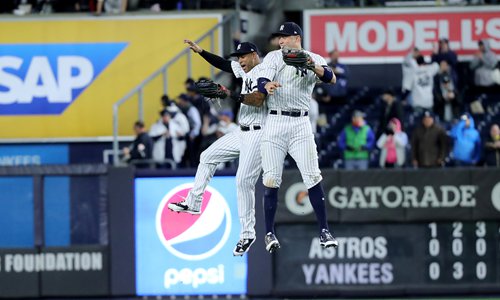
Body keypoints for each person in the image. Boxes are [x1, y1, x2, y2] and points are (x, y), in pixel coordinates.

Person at [168, 40, 267, 256]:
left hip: (259, 134)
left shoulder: (265, 71)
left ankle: (248, 234)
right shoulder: (243, 70)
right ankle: (194, 203)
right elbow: (223, 64)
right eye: (238, 57)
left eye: (242, 56)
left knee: (243, 181)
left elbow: (258, 100)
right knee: (207, 156)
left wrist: (228, 93)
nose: (239, 61)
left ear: (253, 55)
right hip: (242, 131)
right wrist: (201, 52)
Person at [249, 22, 339, 252]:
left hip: (301, 123)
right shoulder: (273, 57)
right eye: (279, 37)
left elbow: (331, 78)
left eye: (284, 37)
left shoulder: (313, 57)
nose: (280, 41)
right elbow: (262, 79)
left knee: (312, 176)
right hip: (275, 121)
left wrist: (312, 65)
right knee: (271, 178)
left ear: (296, 38)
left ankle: (324, 230)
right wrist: (266, 85)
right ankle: (269, 232)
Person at [176, 93, 202, 167]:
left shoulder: (191, 109)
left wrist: (193, 134)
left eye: (180, 100)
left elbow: (197, 123)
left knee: (192, 155)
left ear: (184, 101)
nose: (179, 102)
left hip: (192, 136)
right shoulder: (184, 108)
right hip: (188, 135)